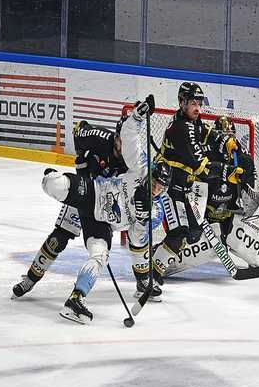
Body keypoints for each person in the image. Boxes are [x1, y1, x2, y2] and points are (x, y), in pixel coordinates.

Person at [39, 96, 171, 324]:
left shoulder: (156, 211)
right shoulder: (140, 167)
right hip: (94, 193)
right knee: (54, 184)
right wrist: (138, 115)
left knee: (99, 255)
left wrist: (141, 217)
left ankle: (76, 299)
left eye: (161, 188)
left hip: (102, 223)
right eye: (156, 183)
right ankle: (51, 176)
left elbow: (137, 242)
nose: (156, 189)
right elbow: (129, 136)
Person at [160, 115, 259, 277]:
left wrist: (248, 197)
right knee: (196, 239)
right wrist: (198, 222)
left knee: (239, 235)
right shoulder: (203, 159)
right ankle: (160, 262)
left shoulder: (244, 160)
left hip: (229, 217)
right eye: (224, 136)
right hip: (205, 220)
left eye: (231, 135)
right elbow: (193, 192)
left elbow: (250, 199)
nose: (227, 139)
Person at [11, 119, 128, 299]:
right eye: (122, 139)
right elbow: (79, 128)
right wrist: (82, 158)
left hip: (103, 205)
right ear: (117, 136)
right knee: (57, 239)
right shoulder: (101, 137)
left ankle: (143, 279)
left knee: (99, 248)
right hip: (83, 192)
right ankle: (30, 279)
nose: (125, 145)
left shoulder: (133, 160)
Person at [149, 82, 245, 281]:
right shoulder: (181, 129)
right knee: (179, 233)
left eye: (199, 103)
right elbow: (203, 169)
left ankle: (155, 259)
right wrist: (227, 170)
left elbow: (206, 133)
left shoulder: (191, 121)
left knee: (192, 233)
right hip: (164, 188)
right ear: (181, 102)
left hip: (181, 188)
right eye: (193, 103)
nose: (197, 108)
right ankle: (150, 275)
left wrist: (225, 141)